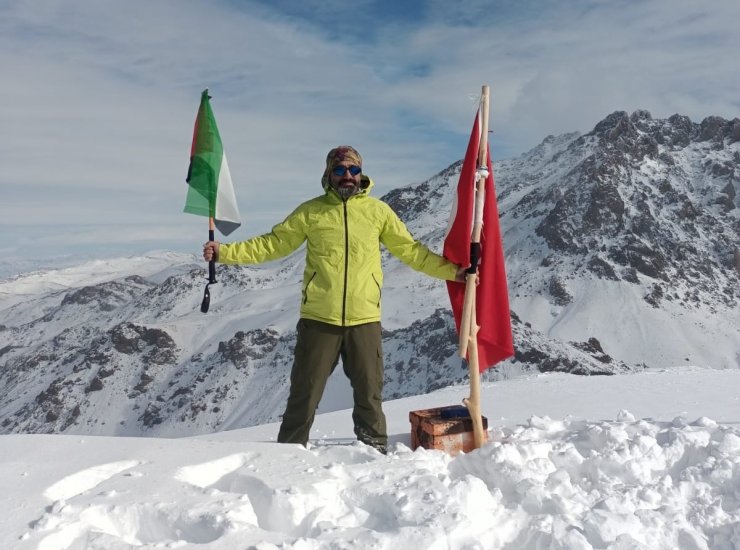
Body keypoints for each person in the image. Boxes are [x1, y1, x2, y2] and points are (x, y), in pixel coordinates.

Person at [203, 145, 466, 453]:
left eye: (353, 170)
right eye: (340, 170)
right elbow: (272, 245)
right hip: (319, 320)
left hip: (364, 320)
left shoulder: (378, 212)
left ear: (361, 175)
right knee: (304, 394)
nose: (347, 176)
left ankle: (374, 453)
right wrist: (225, 253)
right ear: (328, 175)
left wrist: (453, 272)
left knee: (369, 395)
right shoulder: (310, 212)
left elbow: (411, 251)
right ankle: (287, 456)